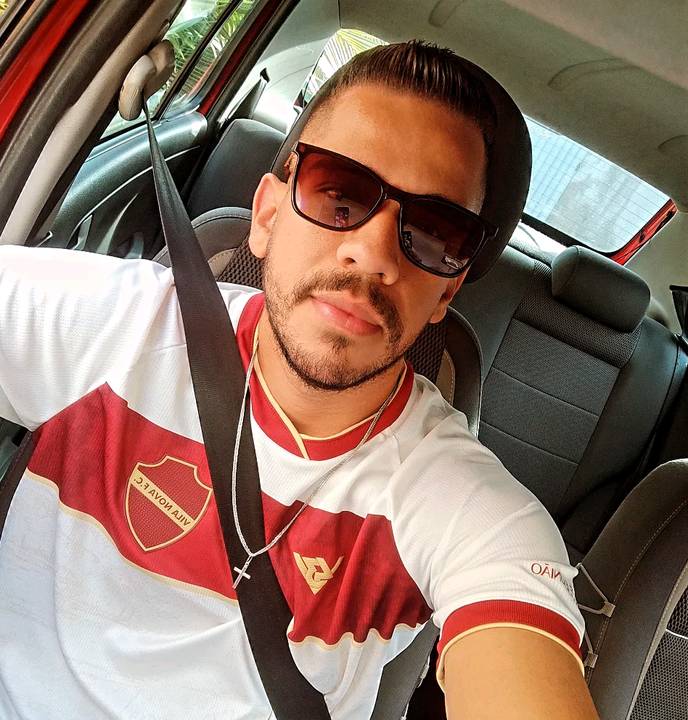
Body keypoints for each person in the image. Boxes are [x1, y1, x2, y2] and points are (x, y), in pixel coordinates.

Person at [0, 41, 599, 719]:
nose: (371, 251)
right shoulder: (117, 326)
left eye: (434, 232)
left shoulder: (459, 505)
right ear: (267, 215)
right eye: (339, 194)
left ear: (447, 292)